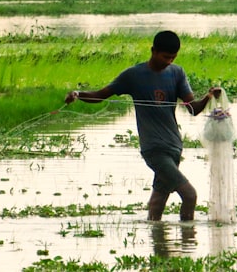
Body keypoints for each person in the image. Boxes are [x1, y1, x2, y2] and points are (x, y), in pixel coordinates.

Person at [64, 30, 221, 221]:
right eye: (165, 57)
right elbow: (101, 94)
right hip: (154, 149)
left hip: (174, 146)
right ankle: (187, 242)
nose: (169, 61)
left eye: (173, 57)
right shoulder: (134, 75)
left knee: (158, 200)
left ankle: (157, 241)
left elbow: (193, 109)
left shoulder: (177, 73)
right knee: (189, 195)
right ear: (153, 51)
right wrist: (78, 94)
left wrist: (209, 97)